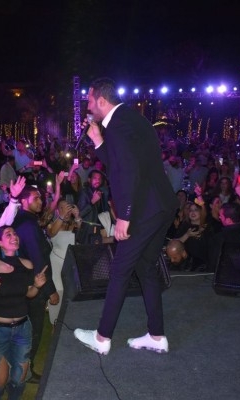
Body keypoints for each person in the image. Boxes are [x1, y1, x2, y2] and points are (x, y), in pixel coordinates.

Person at [74, 77, 177, 355]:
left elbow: (128, 173)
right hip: (161, 205)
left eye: (89, 100)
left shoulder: (119, 126)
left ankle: (102, 338)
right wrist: (98, 141)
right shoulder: (130, 119)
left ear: (101, 101)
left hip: (144, 210)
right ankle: (156, 336)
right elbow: (120, 163)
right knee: (145, 267)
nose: (87, 106)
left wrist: (125, 216)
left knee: (120, 269)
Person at [0, 226, 48, 400]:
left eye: (15, 233)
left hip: (22, 328)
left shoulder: (27, 264)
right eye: (8, 234)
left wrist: (37, 286)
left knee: (19, 378)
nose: (14, 236)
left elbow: (29, 294)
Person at [11, 185, 59, 380]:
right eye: (35, 198)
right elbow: (38, 260)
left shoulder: (28, 220)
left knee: (28, 329)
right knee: (33, 330)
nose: (40, 201)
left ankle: (23, 369)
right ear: (24, 201)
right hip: (34, 285)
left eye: (40, 197)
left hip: (28, 283)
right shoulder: (27, 225)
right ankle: (24, 371)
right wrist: (50, 290)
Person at [46, 197, 81, 324]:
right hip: (56, 264)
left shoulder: (74, 224)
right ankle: (54, 324)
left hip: (71, 265)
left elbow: (81, 236)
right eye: (62, 208)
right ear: (57, 210)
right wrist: (61, 216)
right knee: (58, 292)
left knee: (72, 294)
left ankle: (70, 323)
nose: (65, 211)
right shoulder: (52, 224)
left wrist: (77, 217)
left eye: (68, 208)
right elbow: (51, 232)